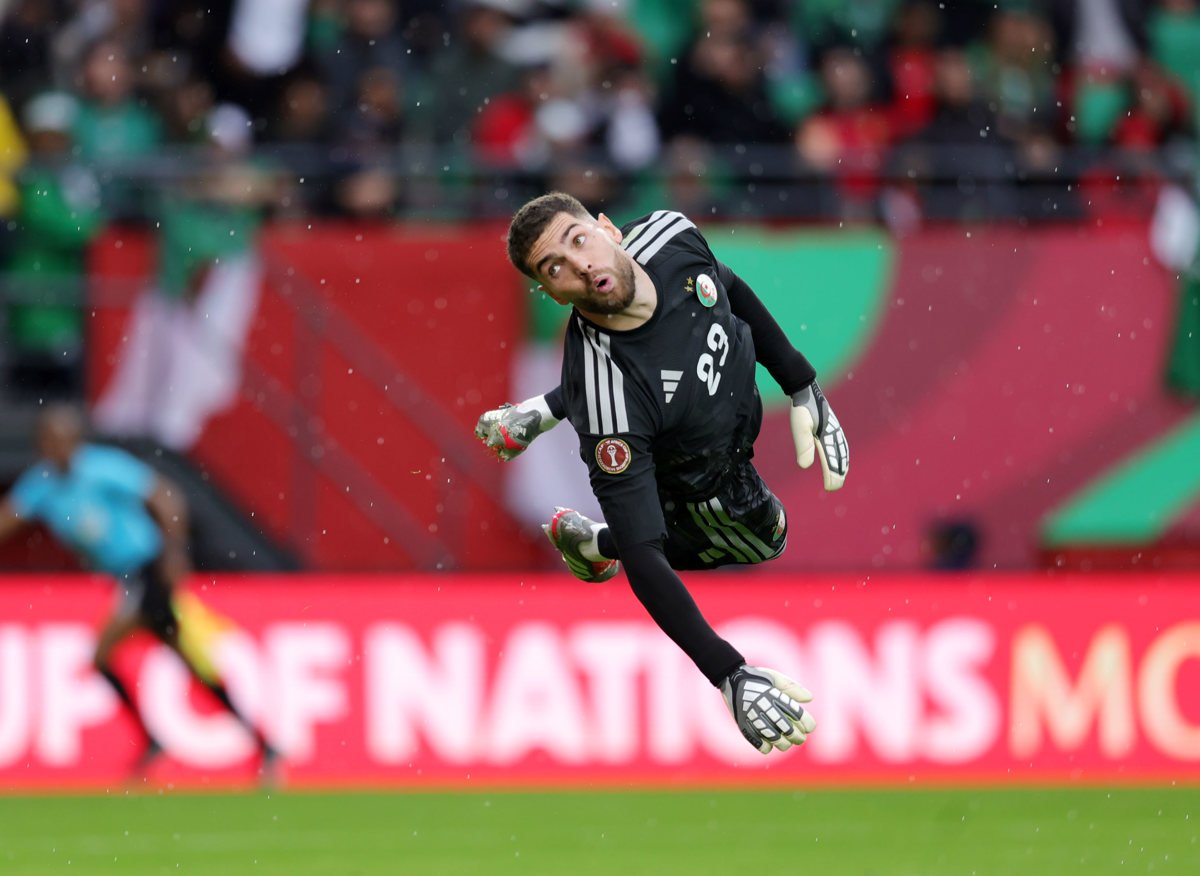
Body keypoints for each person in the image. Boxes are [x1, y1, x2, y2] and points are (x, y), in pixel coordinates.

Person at [474, 192, 849, 755]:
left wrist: (801, 382)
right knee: (768, 537)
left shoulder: (670, 234)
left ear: (609, 229)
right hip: (701, 482)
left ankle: (548, 421)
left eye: (579, 240)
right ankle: (597, 540)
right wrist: (728, 672)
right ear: (553, 294)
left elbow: (726, 283)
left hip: (730, 413)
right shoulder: (607, 408)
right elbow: (646, 556)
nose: (581, 265)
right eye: (556, 269)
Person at [0, 404, 278, 778]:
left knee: (102, 654)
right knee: (184, 659)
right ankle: (262, 744)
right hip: (127, 579)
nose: (56, 447)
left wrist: (175, 552)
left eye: (62, 440)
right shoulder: (41, 484)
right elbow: (9, 518)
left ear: (76, 441)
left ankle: (158, 740)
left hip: (149, 569)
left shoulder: (100, 467)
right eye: (49, 441)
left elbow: (164, 495)